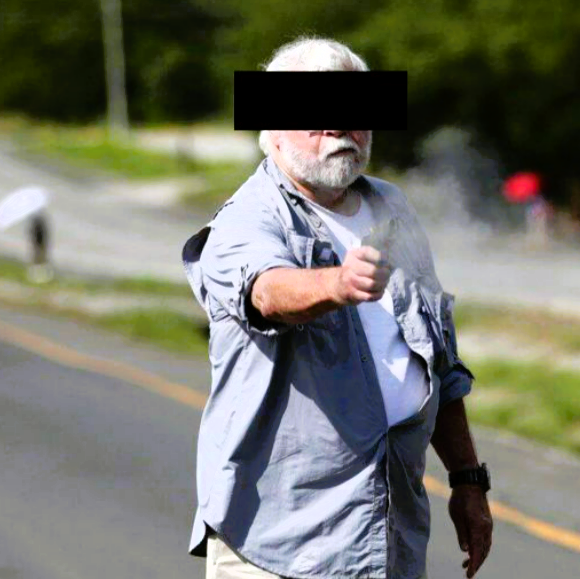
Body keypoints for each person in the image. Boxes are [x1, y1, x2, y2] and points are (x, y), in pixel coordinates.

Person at [180, 38, 493, 579]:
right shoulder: (247, 218)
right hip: (279, 546)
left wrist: (467, 480)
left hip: (388, 537)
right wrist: (337, 283)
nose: (339, 126)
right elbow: (266, 292)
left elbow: (438, 362)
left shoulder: (392, 207)